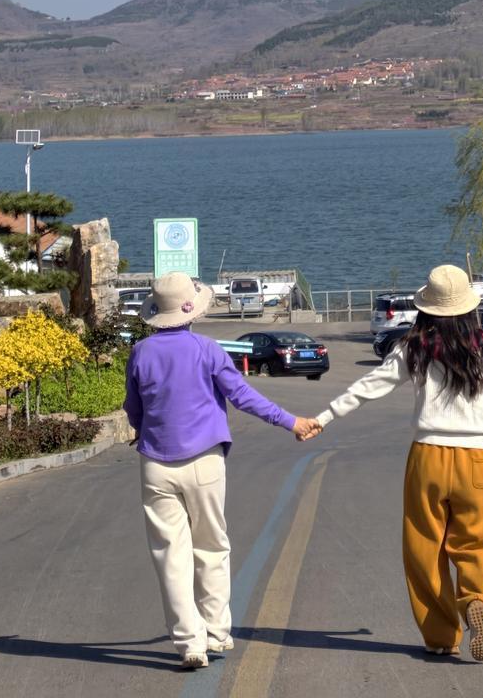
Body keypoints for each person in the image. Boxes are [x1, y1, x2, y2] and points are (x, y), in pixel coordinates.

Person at [308, 264, 483, 661]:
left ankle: (441, 636)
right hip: (477, 457)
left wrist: (324, 417)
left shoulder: (414, 348)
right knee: (479, 542)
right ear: (469, 308)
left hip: (428, 456)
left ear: (427, 310)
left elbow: (370, 386)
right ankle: (478, 599)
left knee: (424, 548)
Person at [123, 271, 319, 670]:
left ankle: (189, 643)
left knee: (170, 557)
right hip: (204, 460)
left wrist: (146, 430)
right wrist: (291, 422)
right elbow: (242, 396)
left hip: (156, 464)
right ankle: (215, 632)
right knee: (211, 548)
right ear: (191, 311)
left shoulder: (141, 352)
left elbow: (133, 408)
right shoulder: (207, 349)